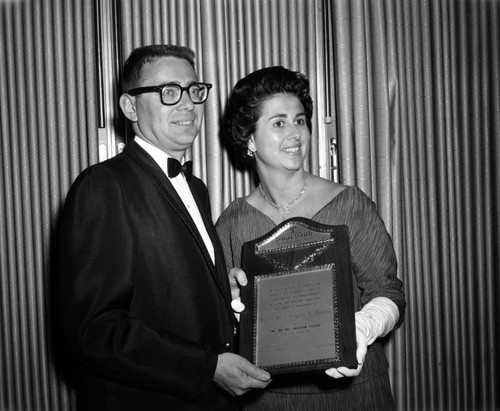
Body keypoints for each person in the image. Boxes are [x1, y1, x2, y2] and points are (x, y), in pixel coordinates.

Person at [56, 44, 271, 411]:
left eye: (194, 91)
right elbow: (93, 331)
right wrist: (207, 368)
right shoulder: (102, 186)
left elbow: (166, 289)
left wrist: (221, 285)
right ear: (129, 107)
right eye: (169, 92)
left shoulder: (197, 188)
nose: (188, 104)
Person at [216, 66, 406, 411]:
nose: (296, 133)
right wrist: (226, 302)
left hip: (354, 393)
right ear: (250, 138)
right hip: (268, 398)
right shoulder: (232, 222)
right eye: (279, 123)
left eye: (300, 120)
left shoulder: (350, 204)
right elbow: (217, 322)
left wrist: (362, 327)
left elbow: (389, 293)